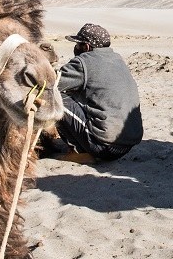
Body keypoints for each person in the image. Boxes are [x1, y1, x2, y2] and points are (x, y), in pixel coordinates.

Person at [44, 23, 143, 161]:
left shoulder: (84, 61)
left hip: (105, 146)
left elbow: (50, 83)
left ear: (87, 47)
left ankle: (77, 151)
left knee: (54, 97)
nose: (76, 48)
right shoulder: (117, 59)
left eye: (78, 44)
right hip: (128, 144)